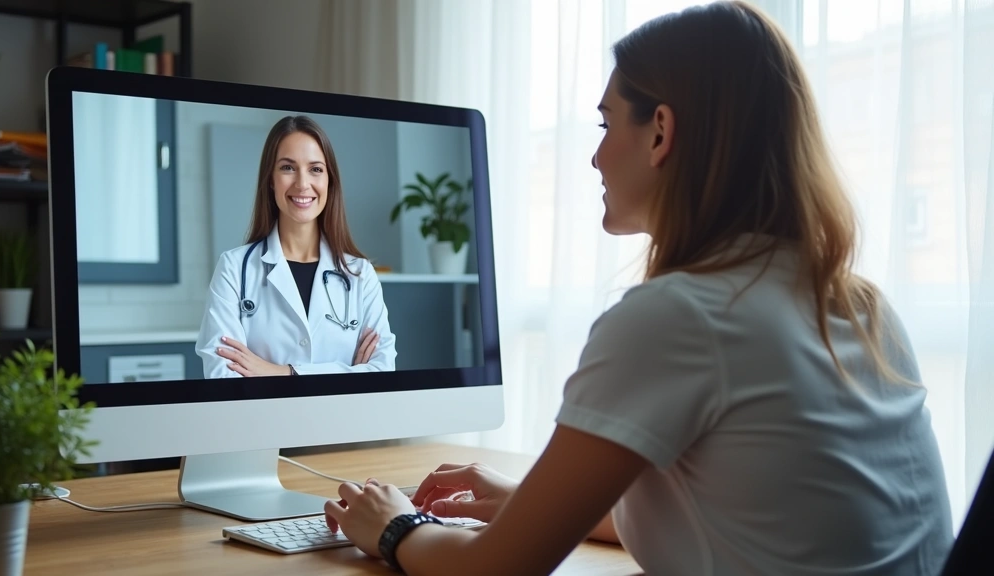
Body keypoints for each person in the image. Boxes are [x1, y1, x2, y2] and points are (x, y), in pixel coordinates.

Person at [322, 2, 955, 575]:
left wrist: (395, 526)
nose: (596, 157)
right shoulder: (859, 305)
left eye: (605, 124)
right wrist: (523, 503)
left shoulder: (680, 317)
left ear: (660, 132)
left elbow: (495, 571)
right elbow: (745, 515)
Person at [195, 115, 396, 378]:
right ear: (270, 179)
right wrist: (348, 373)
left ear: (329, 181)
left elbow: (381, 373)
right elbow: (223, 376)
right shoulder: (234, 269)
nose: (302, 184)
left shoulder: (360, 275)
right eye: (288, 168)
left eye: (315, 169)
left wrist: (283, 373)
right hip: (264, 420)